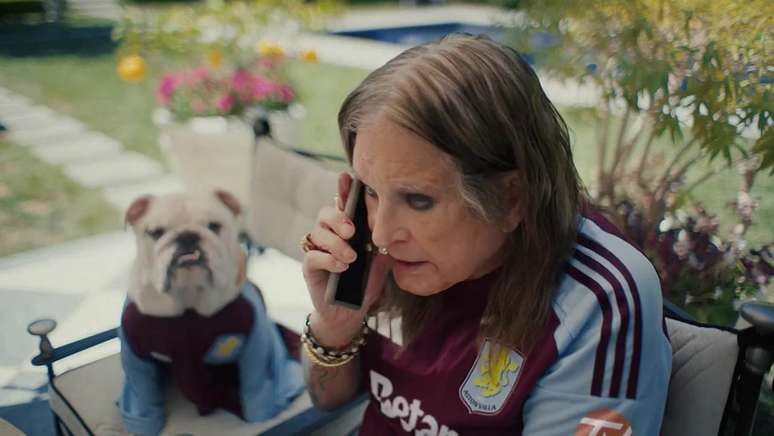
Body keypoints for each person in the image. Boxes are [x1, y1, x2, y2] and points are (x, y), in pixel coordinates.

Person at [300, 33, 671, 435]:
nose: (385, 233)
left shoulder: (597, 298)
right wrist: (334, 328)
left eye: (418, 200)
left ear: (512, 197)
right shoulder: (386, 260)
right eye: (370, 191)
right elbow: (328, 400)